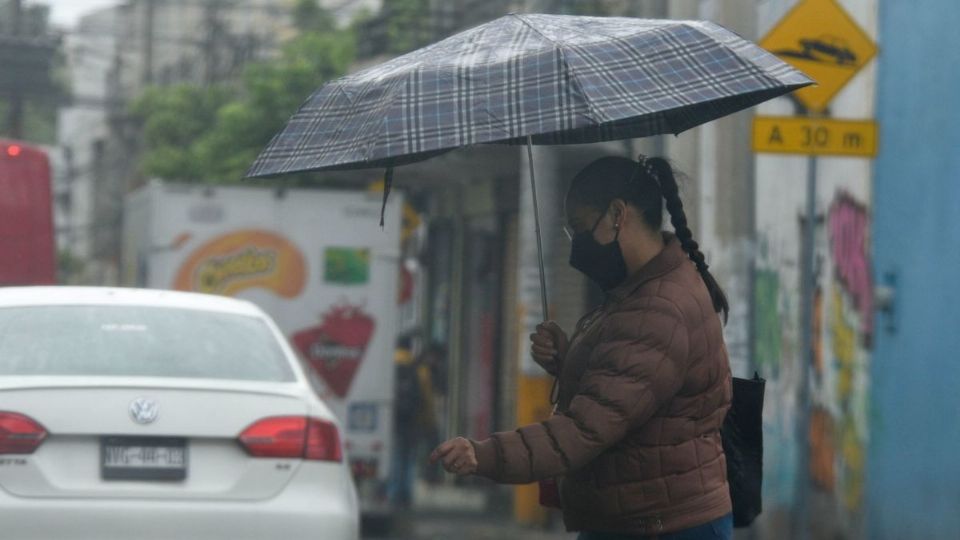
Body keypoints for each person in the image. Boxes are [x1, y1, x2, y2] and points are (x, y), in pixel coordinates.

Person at [430, 156, 734, 539]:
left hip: (661, 524)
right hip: (642, 514)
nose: (576, 245)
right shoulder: (647, 287)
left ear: (617, 215)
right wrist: (569, 359)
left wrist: (484, 455)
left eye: (578, 229)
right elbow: (628, 385)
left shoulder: (658, 308)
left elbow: (587, 428)